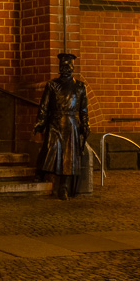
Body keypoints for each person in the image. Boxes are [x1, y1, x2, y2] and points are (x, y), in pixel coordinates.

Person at [34, 53, 90, 200]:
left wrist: (85, 125)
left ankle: (64, 187)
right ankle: (40, 172)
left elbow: (83, 110)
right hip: (55, 122)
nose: (65, 68)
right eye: (63, 66)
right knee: (49, 149)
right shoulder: (52, 85)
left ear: (73, 67)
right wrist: (40, 122)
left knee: (69, 157)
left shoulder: (80, 87)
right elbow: (44, 106)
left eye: (68, 65)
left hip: (71, 124)